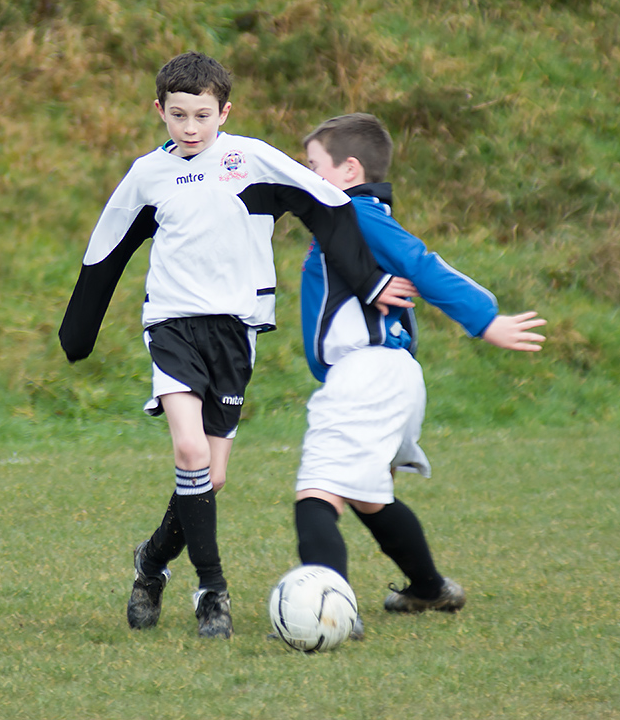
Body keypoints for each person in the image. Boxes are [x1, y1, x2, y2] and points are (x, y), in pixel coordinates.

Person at [58, 54, 409, 639]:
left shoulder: (250, 159)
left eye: (202, 115)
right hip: (171, 325)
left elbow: (328, 203)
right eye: (177, 115)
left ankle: (151, 561)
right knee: (189, 450)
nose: (190, 127)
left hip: (235, 332)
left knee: (210, 477)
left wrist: (369, 280)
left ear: (225, 112)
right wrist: (79, 331)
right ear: (159, 110)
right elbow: (107, 247)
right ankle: (211, 592)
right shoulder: (148, 174)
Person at [294, 112, 546, 633]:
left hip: (366, 372)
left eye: (313, 165)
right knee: (368, 497)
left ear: (349, 171)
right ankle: (430, 590)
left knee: (316, 492)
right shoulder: (353, 218)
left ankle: (330, 612)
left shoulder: (354, 215)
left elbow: (423, 263)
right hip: (393, 374)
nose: (306, 174)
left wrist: (485, 319)